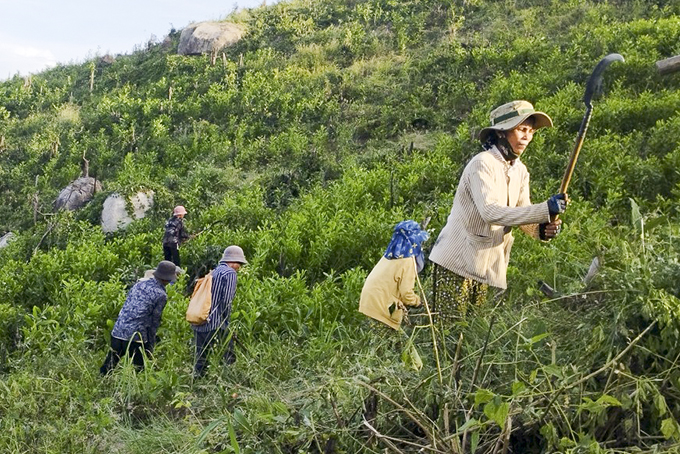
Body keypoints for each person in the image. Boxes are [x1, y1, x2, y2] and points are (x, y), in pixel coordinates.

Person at [429, 100, 567, 320]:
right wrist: (544, 209)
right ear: (502, 133)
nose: (527, 137)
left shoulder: (520, 171)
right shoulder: (482, 163)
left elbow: (524, 215)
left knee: (473, 335)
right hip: (456, 264)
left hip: (485, 268)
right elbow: (491, 212)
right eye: (521, 129)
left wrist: (542, 230)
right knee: (448, 335)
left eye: (530, 131)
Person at [100, 260, 179, 375]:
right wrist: (150, 346)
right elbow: (154, 322)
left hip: (118, 330)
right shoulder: (161, 295)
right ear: (167, 279)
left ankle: (100, 386)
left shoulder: (139, 284)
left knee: (109, 366)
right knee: (140, 371)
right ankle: (136, 392)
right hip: (135, 336)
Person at [359, 220, 429, 330]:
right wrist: (419, 302)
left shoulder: (390, 255)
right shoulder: (407, 261)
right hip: (382, 304)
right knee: (385, 340)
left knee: (375, 337)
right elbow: (407, 295)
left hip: (368, 301)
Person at [192, 245, 247, 377]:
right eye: (239, 264)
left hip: (200, 321)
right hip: (216, 323)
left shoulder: (213, 272)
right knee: (228, 356)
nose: (239, 267)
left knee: (201, 357)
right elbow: (226, 300)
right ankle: (228, 382)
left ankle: (197, 384)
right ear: (234, 262)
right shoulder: (229, 273)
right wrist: (226, 323)